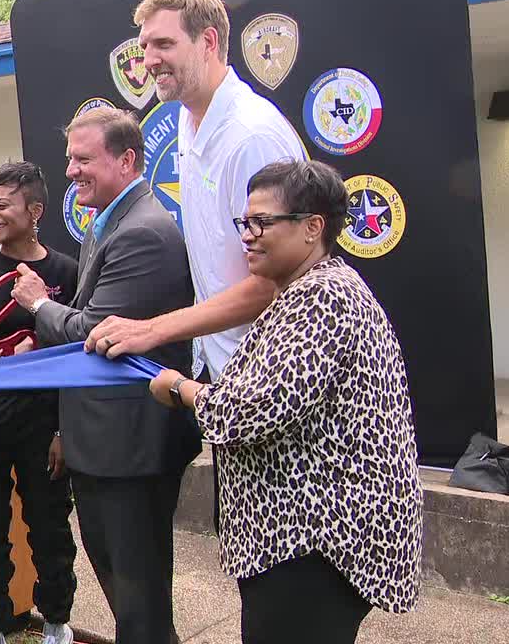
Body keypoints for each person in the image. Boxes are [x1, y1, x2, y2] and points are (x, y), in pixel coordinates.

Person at [146, 160, 422, 644]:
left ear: (314, 227)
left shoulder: (323, 299)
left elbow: (246, 410)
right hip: (301, 544)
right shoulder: (306, 291)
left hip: (316, 544)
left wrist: (178, 387)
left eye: (262, 223)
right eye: (244, 223)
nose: (248, 236)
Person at [9, 107, 199, 644]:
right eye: (70, 157)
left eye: (84, 158)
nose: (70, 170)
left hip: (130, 448)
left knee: (138, 599)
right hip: (102, 444)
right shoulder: (112, 218)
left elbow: (98, 335)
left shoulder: (143, 232)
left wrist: (38, 308)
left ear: (127, 159)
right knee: (127, 597)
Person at [87, 0, 304, 380]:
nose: (149, 60)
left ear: (207, 41)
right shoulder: (188, 121)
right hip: (223, 375)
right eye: (145, 46)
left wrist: (152, 329)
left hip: (274, 380)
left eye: (164, 44)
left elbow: (274, 282)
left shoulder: (252, 137)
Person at [0, 162, 79, 644]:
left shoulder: (66, 270)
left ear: (35, 210)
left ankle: (56, 622)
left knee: (49, 527)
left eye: (2, 205)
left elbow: (73, 355)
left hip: (42, 425)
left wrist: (64, 431)